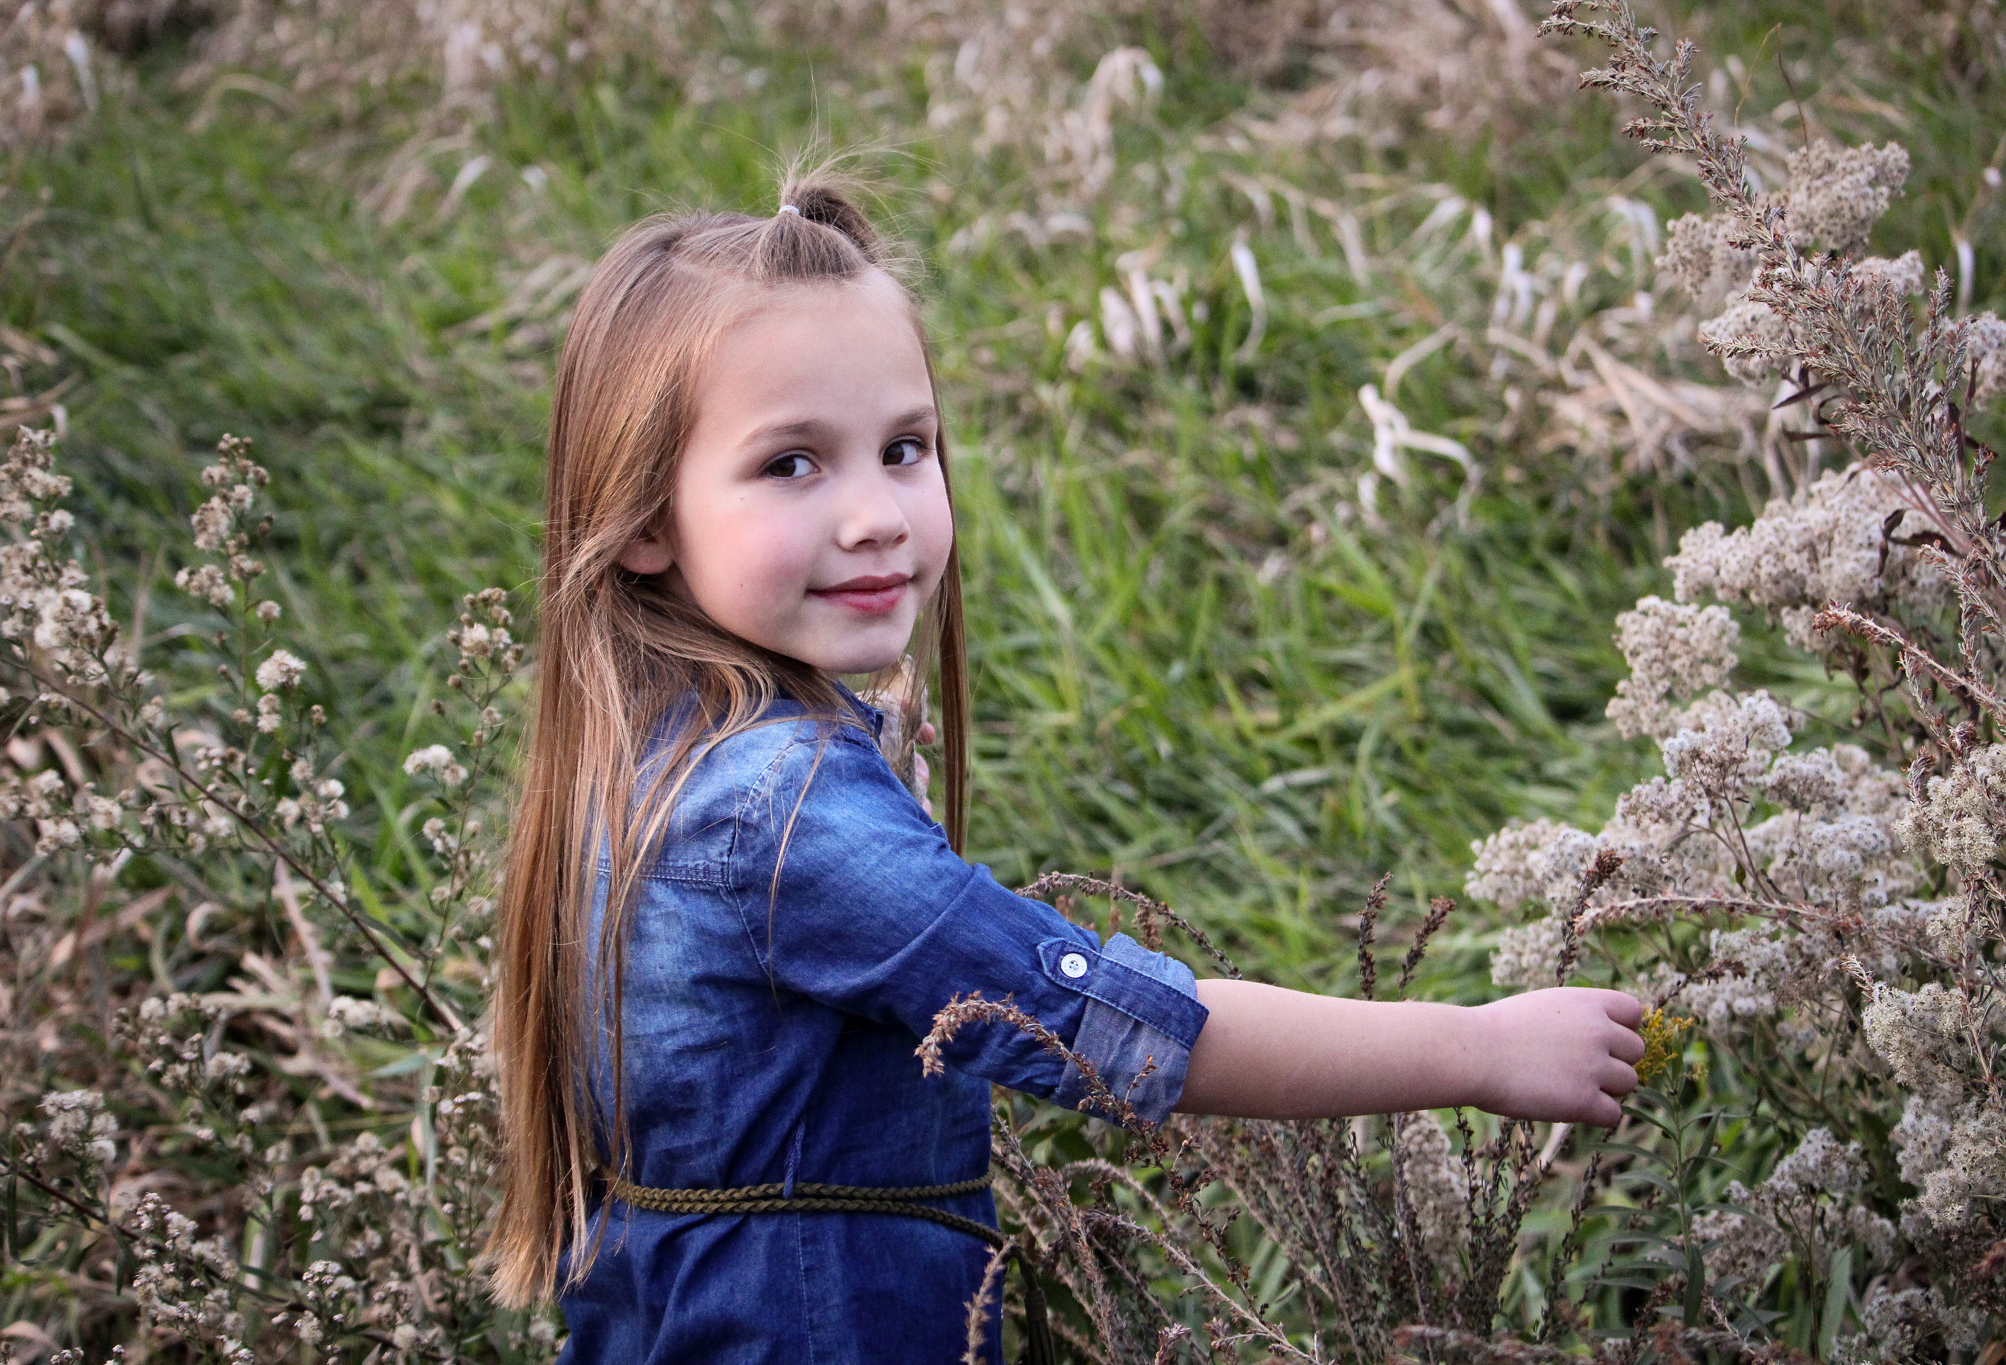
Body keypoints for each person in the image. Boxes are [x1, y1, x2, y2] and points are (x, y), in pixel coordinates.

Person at [483, 169, 1646, 1365]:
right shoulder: (775, 815)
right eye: (790, 464)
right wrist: (1478, 1049)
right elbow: (1108, 1028)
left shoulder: (654, 754)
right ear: (639, 520)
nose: (876, 513)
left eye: (903, 447)